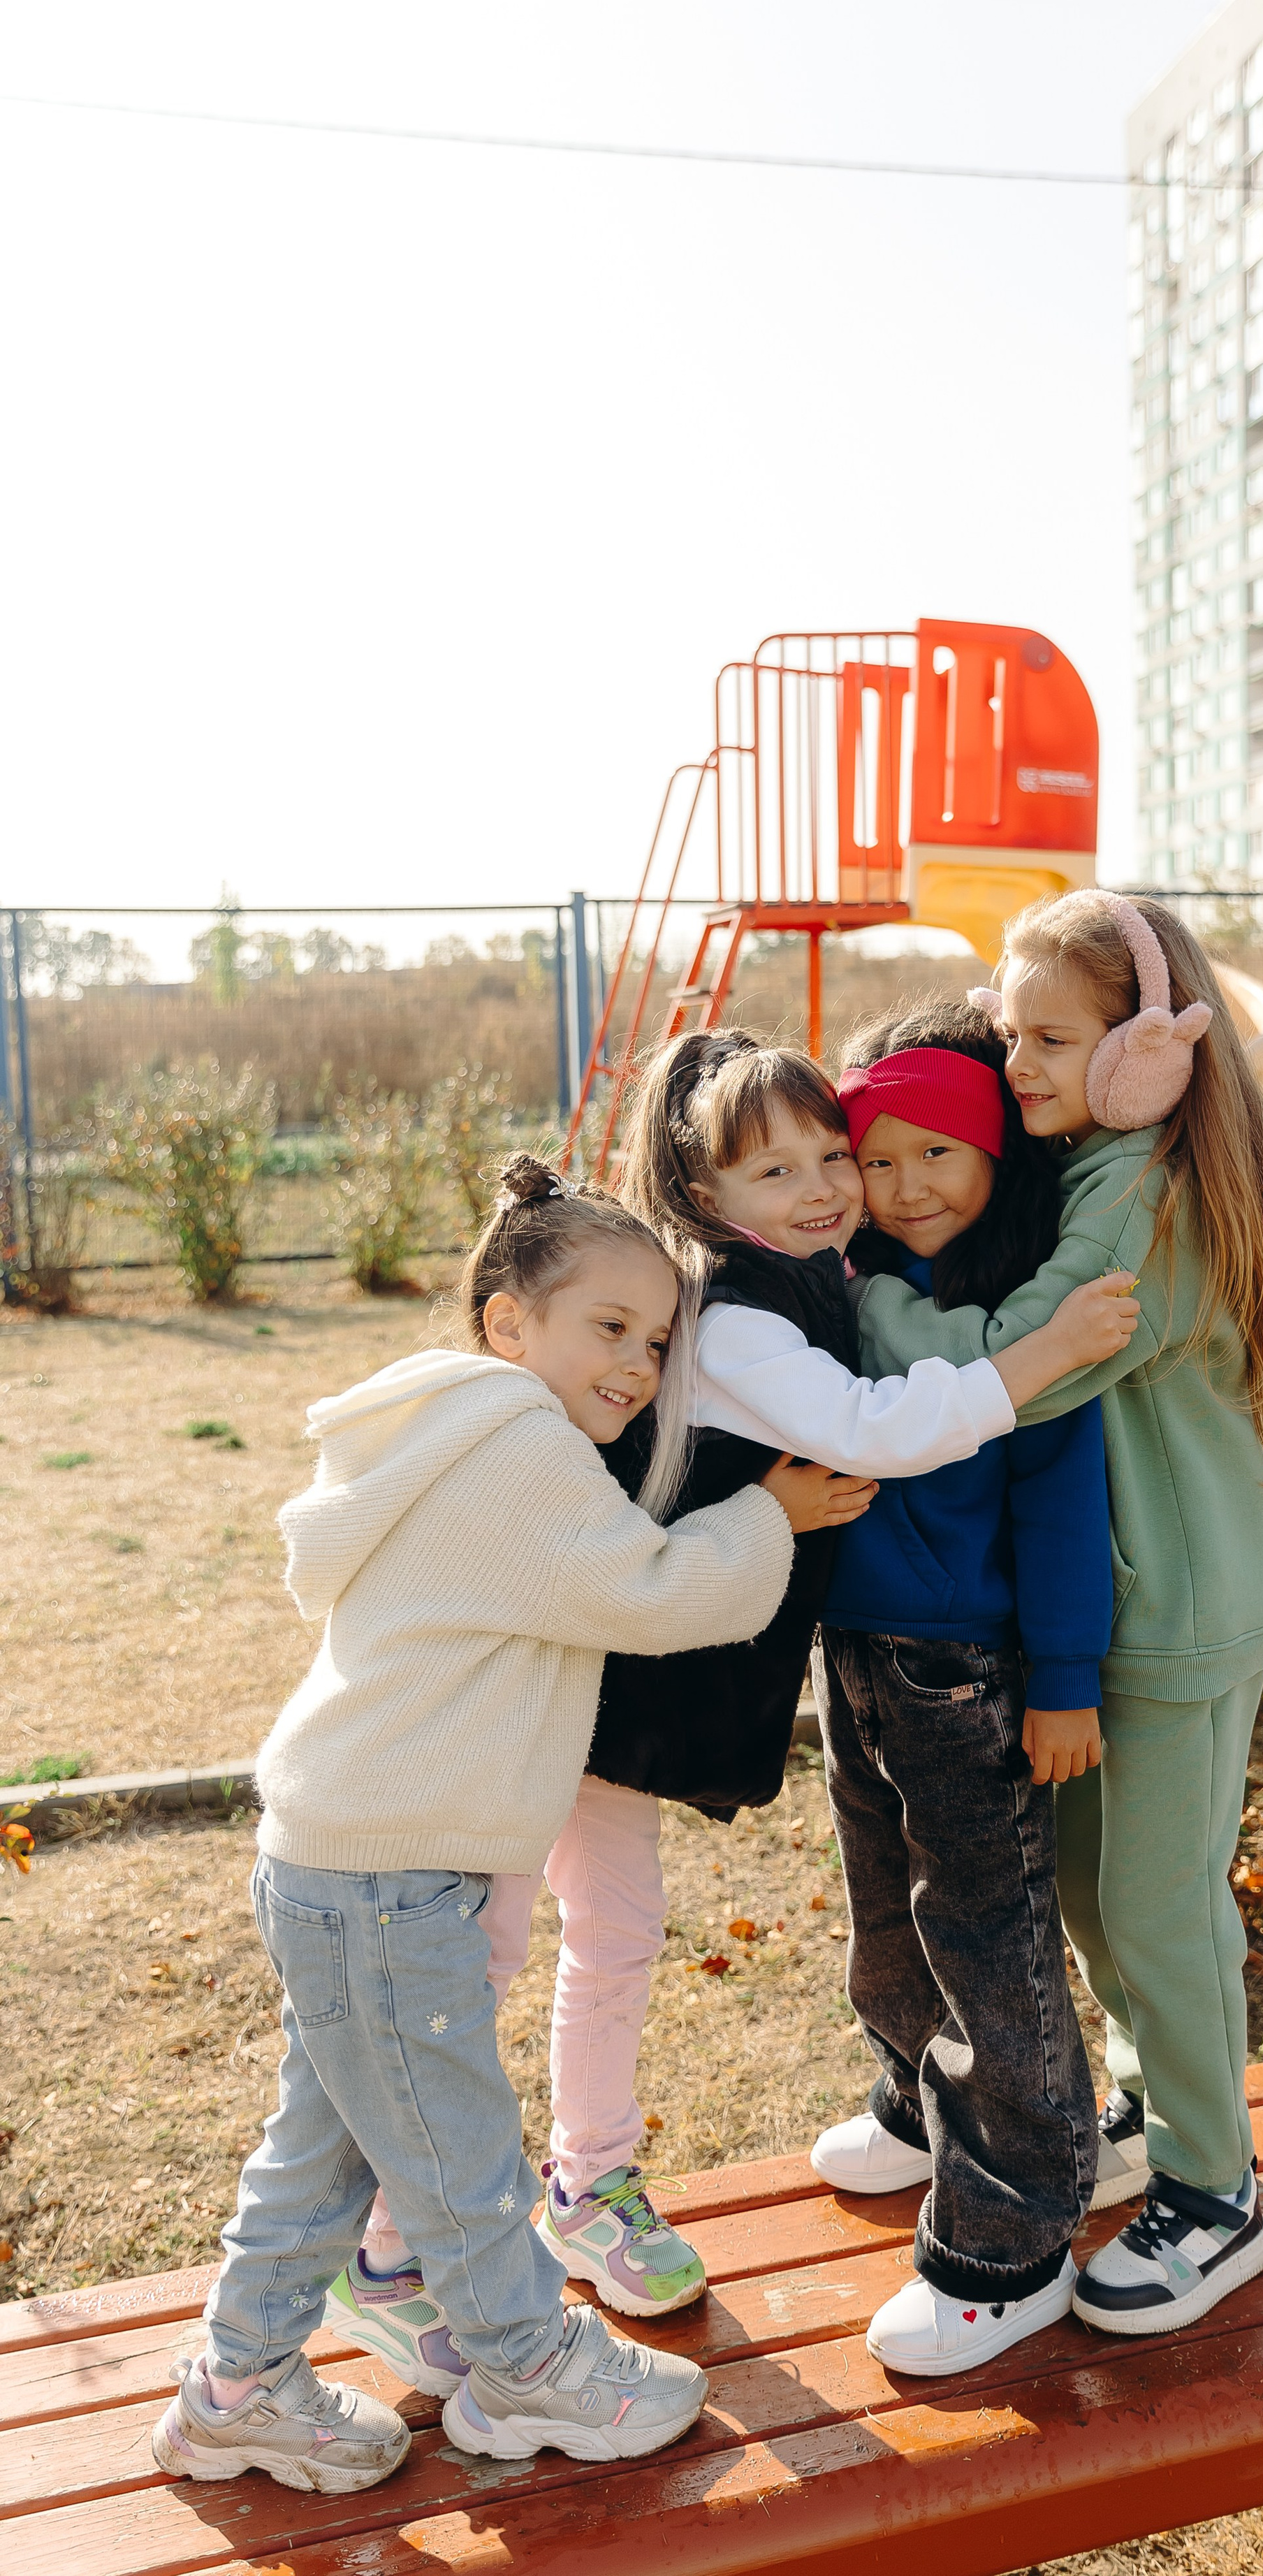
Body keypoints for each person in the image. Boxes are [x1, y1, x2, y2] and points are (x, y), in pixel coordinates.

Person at [337, 1036, 1141, 2344]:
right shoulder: (747, 1312)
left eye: (835, 1156)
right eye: (777, 1167)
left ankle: (585, 2181)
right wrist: (1040, 1355)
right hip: (566, 1680)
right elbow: (878, 1431)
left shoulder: (803, 1281)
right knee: (478, 1953)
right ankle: (392, 2245)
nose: (825, 1185)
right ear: (704, 1193)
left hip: (624, 1690)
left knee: (613, 1936)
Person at [153, 1158, 853, 2495]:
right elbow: (643, 1592)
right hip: (388, 1869)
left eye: (657, 1342)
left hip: (346, 1853)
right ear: (505, 1322)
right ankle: (528, 2367)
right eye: (609, 1328)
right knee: (456, 2146)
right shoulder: (520, 1447)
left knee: (333, 2137)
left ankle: (237, 2388)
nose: (641, 1365)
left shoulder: (456, 1435)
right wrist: (771, 1510)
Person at [852, 893, 1263, 2343]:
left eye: (1052, 1037)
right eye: (1010, 1033)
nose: (1019, 1064)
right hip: (1123, 1603)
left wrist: (874, 1322)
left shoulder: (1145, 1189)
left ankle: (1215, 2188)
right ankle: (1153, 2112)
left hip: (1174, 1608)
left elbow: (1033, 1370)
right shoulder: (1108, 1163)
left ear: (1149, 1046)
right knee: (1093, 1895)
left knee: (1161, 1911)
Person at [806, 1000, 1123, 2379]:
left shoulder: (1028, 1325)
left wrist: (1061, 1682)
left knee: (990, 1940)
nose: (909, 1185)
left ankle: (1008, 2236)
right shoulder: (831, 1289)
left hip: (973, 1674)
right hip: (858, 1658)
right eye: (877, 1159)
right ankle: (913, 2098)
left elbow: (1062, 1514)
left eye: (939, 1151)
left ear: (995, 1154)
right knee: (885, 1913)